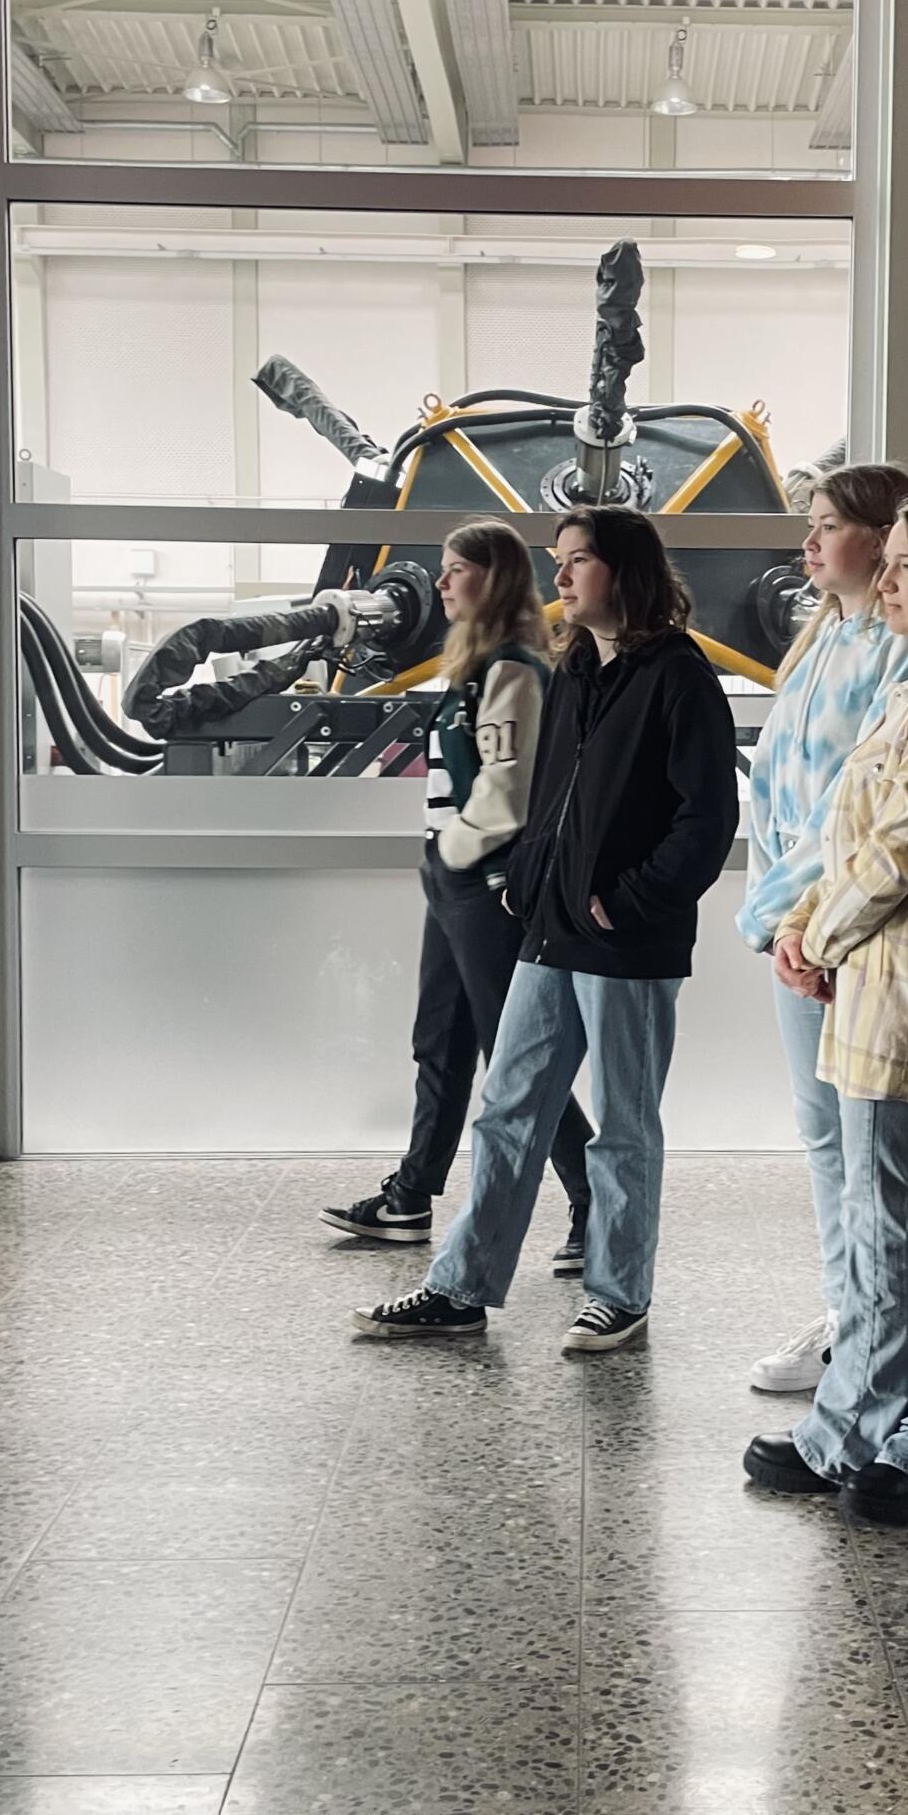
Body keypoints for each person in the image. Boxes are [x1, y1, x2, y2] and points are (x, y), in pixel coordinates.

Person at [353, 507, 738, 1355]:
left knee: (625, 1124)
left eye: (576, 563)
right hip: (549, 930)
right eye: (557, 563)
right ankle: (460, 1286)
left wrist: (627, 901)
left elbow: (707, 820)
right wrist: (529, 883)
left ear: (624, 571)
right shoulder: (578, 671)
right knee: (509, 1109)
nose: (558, 579)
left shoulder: (678, 676)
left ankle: (619, 1293)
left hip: (624, 939)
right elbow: (546, 799)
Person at [742, 491, 908, 1522]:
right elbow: (847, 837)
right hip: (879, 974)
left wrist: (818, 932)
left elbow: (900, 851)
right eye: (889, 562)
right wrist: (808, 919)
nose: (889, 580)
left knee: (891, 1223)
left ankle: (846, 1430)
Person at [321, 520, 591, 1267]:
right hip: (453, 880)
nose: (440, 584)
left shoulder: (513, 672)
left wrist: (451, 855)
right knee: (438, 1041)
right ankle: (411, 1194)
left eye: (454, 570)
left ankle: (594, 1197)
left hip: (482, 885)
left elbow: (506, 797)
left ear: (493, 579)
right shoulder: (474, 670)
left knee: (513, 1056)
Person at [738, 464, 908, 1394]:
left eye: (826, 525)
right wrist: (777, 918)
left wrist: (799, 919)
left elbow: (861, 807)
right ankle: (849, 1311)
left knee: (870, 1152)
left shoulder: (904, 650)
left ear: (884, 536)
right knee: (826, 1143)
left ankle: (875, 1332)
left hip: (844, 935)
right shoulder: (817, 643)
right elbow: (776, 791)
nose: (807, 544)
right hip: (792, 930)